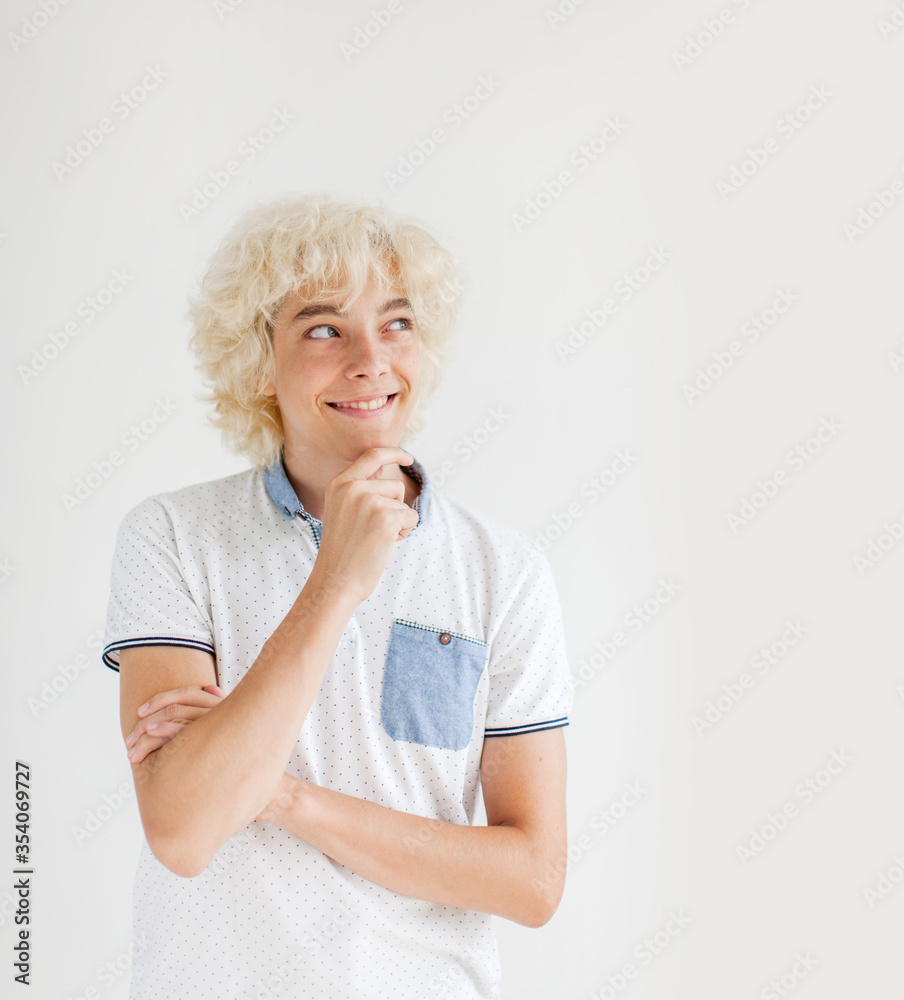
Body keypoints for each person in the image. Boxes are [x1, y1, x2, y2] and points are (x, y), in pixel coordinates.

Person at [103, 192, 574, 999]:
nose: (371, 360)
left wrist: (278, 793)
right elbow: (182, 828)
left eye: (397, 323)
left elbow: (533, 879)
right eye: (324, 329)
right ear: (259, 362)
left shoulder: (505, 569)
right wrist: (335, 584)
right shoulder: (173, 537)